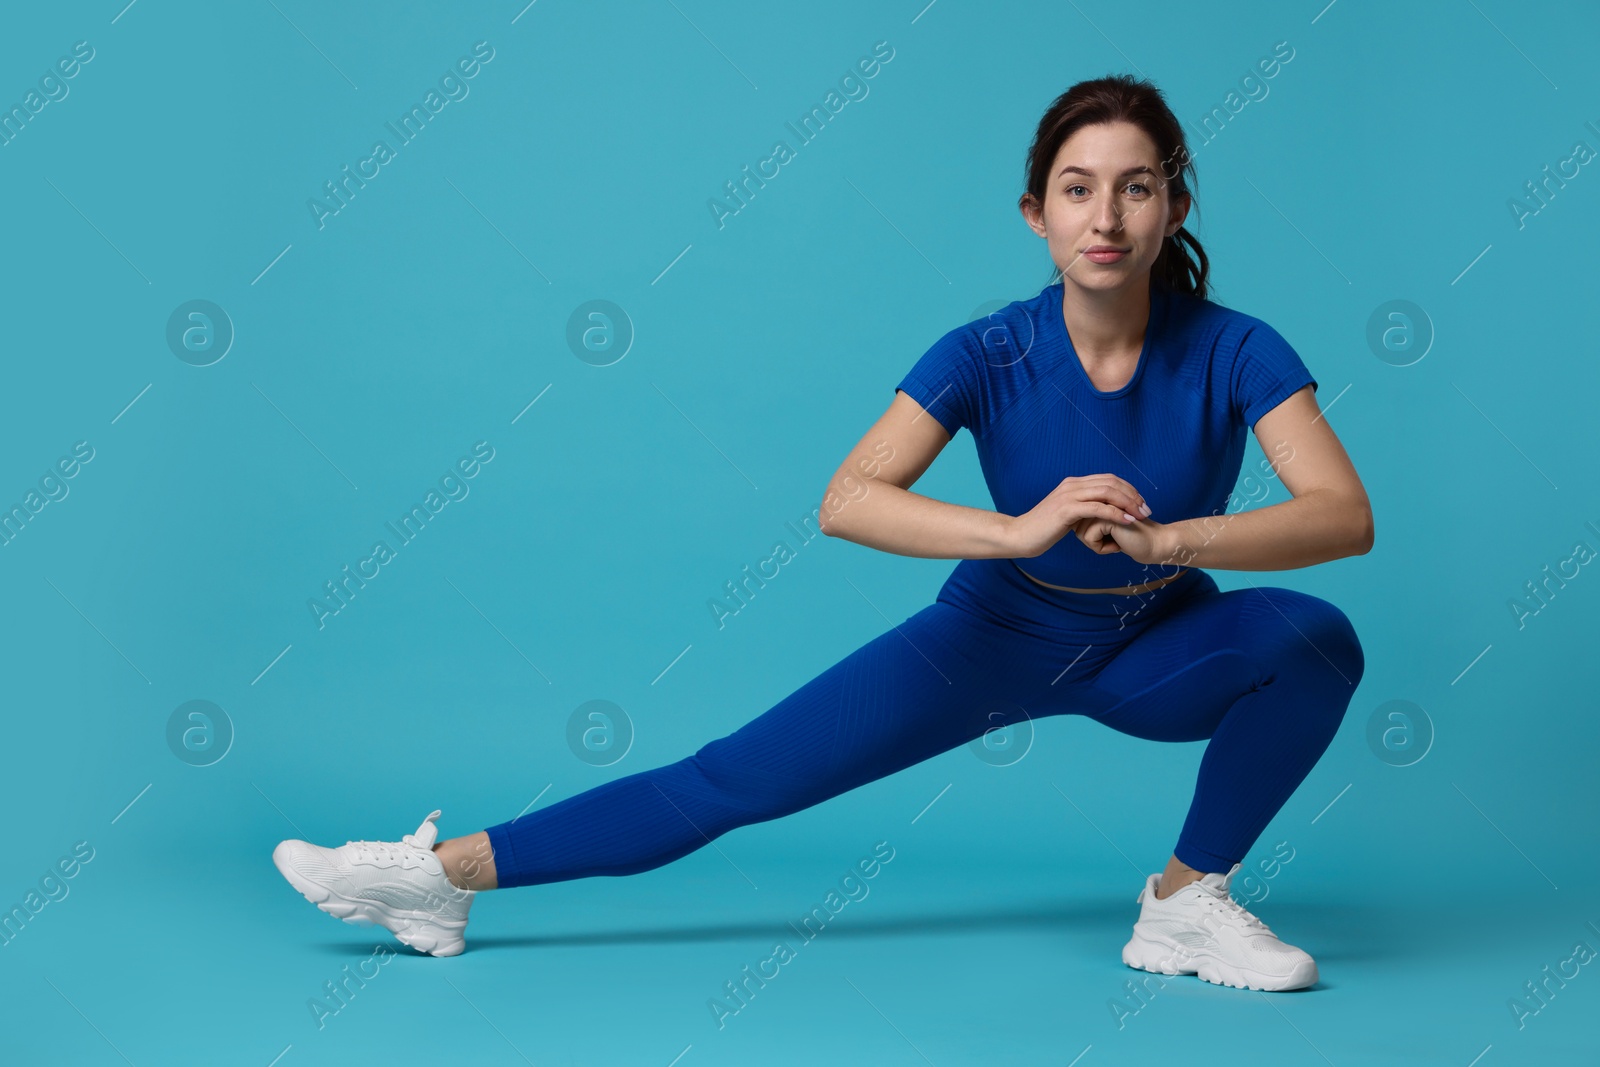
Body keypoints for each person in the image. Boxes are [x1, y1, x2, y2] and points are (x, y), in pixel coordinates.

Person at [273, 74, 1371, 992]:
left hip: (1150, 651)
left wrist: (1171, 539)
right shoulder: (985, 351)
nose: (1106, 218)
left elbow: (1341, 513)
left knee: (1314, 639)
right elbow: (846, 498)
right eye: (1077, 190)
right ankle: (439, 877)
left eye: (1135, 189)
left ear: (1173, 207)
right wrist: (1020, 528)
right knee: (729, 779)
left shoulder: (1235, 348)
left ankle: (1184, 903)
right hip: (986, 640)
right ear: (1034, 212)